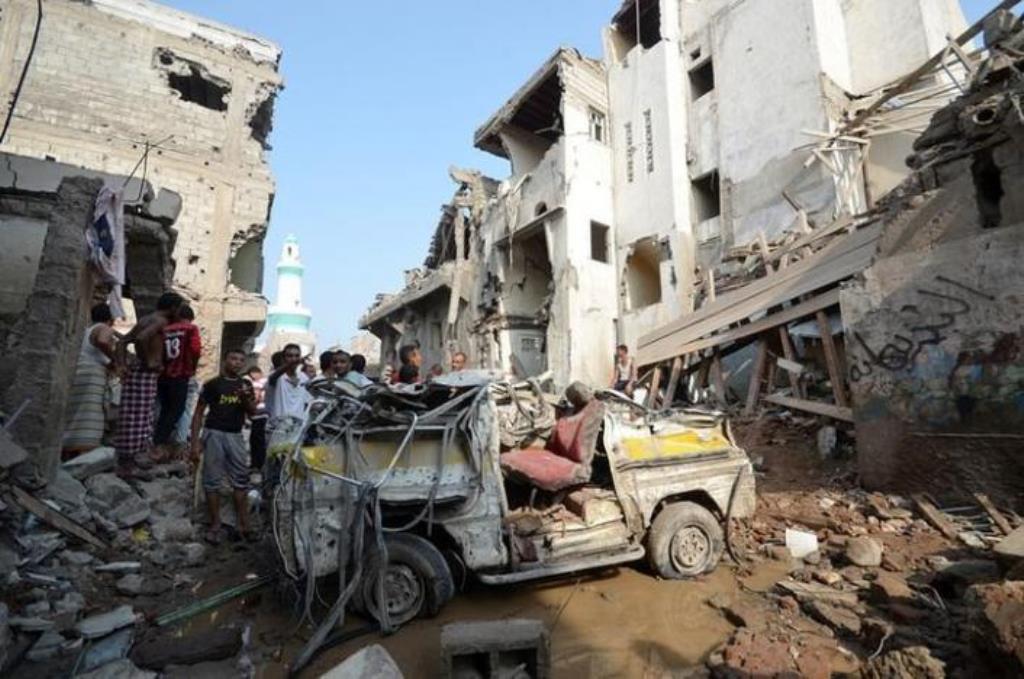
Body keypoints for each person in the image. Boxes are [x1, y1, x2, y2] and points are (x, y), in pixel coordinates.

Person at [189, 349, 257, 544]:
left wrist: (245, 398)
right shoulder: (212, 384)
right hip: (214, 434)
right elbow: (198, 414)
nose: (236, 363)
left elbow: (252, 414)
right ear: (225, 360)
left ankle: (244, 524)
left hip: (235, 435)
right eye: (233, 358)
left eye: (241, 361)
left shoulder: (246, 385)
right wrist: (195, 443)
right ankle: (215, 523)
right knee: (212, 480)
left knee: (240, 479)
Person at [113, 291, 183, 479]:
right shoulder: (160, 322)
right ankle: (130, 463)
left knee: (131, 415)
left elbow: (122, 341)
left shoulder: (146, 319)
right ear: (173, 308)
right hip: (146, 372)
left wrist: (121, 365)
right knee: (140, 417)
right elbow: (142, 339)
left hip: (137, 371)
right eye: (179, 309)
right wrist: (149, 361)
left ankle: (128, 459)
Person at [62, 303, 118, 456]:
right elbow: (102, 341)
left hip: (79, 371)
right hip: (92, 375)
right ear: (110, 319)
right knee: (88, 415)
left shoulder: (86, 331)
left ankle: (69, 447)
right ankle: (84, 450)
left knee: (76, 413)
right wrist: (114, 359)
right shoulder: (104, 328)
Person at [153, 304, 201, 462]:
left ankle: (160, 441)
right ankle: (161, 442)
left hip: (164, 373)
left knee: (165, 408)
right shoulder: (191, 329)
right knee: (178, 409)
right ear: (191, 317)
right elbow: (195, 350)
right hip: (180, 374)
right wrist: (192, 367)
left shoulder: (166, 329)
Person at [268, 343, 310, 421]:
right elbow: (273, 377)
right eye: (290, 356)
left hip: (297, 429)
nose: (294, 359)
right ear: (283, 359)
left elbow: (307, 403)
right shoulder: (277, 377)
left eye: (297, 356)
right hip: (277, 428)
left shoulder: (304, 377)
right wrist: (291, 363)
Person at [245, 366, 268, 472]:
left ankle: (257, 465)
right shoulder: (263, 382)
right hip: (259, 415)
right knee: (257, 441)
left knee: (257, 442)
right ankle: (257, 464)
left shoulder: (260, 383)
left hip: (260, 415)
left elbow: (257, 397)